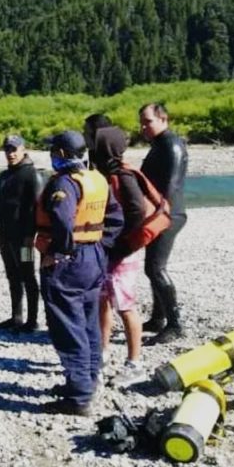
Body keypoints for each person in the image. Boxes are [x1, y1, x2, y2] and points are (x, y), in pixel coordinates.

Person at [36, 130, 123, 415]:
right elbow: (115, 218)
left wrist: (57, 253)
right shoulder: (96, 179)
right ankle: (88, 380)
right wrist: (99, 246)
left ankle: (79, 396)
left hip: (69, 262)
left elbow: (62, 219)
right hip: (93, 257)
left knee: (67, 326)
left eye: (53, 151)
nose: (50, 156)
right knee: (87, 323)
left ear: (61, 155)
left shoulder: (65, 183)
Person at [90, 126, 148, 388]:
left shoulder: (123, 176)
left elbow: (137, 212)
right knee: (103, 300)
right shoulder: (106, 173)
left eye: (97, 145)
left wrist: (120, 242)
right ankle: (102, 352)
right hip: (110, 250)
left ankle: (135, 363)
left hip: (123, 254)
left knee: (125, 307)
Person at [0, 135, 43, 332]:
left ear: (24, 149)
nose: (11, 153)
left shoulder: (33, 175)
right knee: (12, 275)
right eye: (7, 150)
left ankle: (32, 322)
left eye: (14, 149)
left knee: (28, 276)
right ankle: (16, 317)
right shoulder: (5, 176)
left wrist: (30, 236)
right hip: (5, 236)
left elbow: (36, 209)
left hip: (25, 239)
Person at [138, 103, 189, 345]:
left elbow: (171, 185)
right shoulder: (160, 144)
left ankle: (175, 324)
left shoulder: (172, 144)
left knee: (155, 268)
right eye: (142, 122)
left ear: (163, 119)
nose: (143, 127)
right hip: (160, 213)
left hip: (169, 215)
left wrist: (158, 214)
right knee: (152, 266)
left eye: (148, 121)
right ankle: (158, 318)